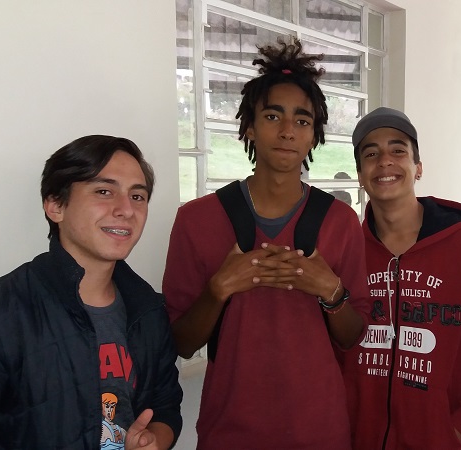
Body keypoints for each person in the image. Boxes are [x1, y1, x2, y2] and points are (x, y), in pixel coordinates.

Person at [162, 37, 369, 449]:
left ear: (314, 136)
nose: (288, 131)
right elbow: (181, 343)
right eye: (273, 116)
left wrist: (331, 292)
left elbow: (353, 337)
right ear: (250, 128)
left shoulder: (341, 222)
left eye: (302, 121)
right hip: (230, 432)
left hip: (321, 431)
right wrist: (219, 289)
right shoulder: (197, 219)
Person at [0, 135, 183, 449]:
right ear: (55, 205)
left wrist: (154, 440)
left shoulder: (148, 308)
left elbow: (165, 406)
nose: (127, 210)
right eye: (104, 191)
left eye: (137, 196)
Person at [340, 107, 461, 450]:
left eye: (398, 150)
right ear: (360, 174)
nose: (384, 161)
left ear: (418, 167)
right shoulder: (346, 250)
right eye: (371, 154)